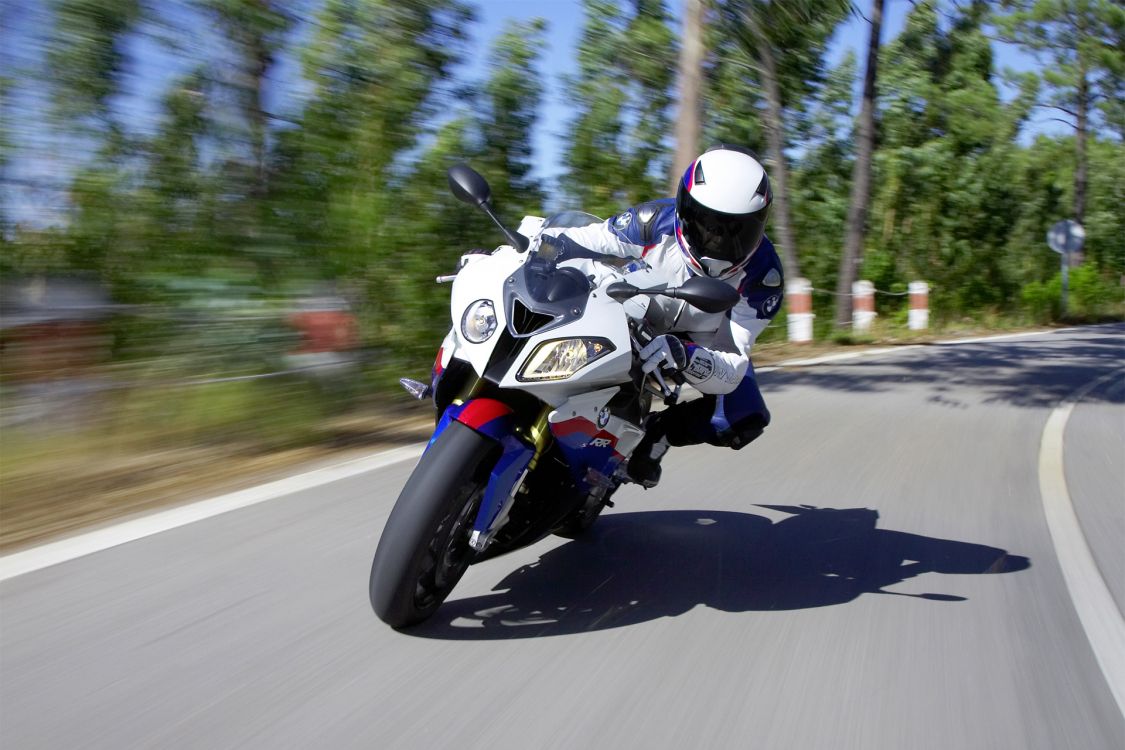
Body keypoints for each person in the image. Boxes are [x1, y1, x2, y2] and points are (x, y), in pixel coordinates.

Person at [546, 144, 784, 487]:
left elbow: (732, 364)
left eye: (734, 230)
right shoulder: (653, 220)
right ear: (685, 208)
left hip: (700, 340)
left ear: (760, 224)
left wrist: (686, 355)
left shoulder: (765, 278)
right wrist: (537, 246)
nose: (715, 239)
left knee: (744, 418)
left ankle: (658, 436)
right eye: (706, 224)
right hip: (631, 308)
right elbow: (590, 239)